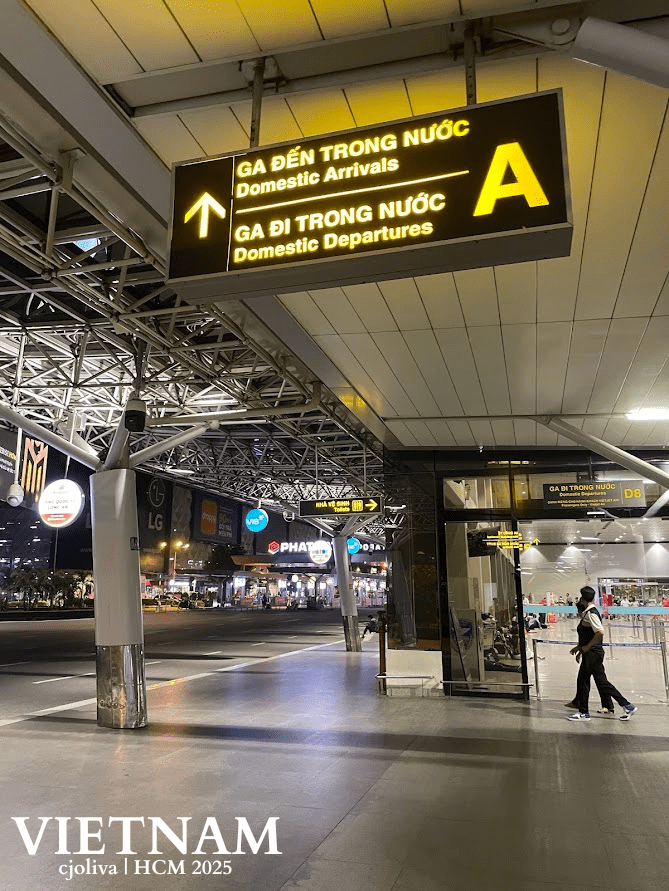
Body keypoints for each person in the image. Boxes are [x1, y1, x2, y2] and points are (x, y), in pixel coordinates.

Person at [566, 586, 637, 722]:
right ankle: (627, 706)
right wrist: (579, 648)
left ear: (583, 599)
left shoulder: (591, 613)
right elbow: (589, 634)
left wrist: (587, 647)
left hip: (593, 653)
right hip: (593, 653)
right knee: (601, 682)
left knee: (584, 680)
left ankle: (583, 713)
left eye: (581, 597)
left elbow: (599, 632)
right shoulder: (589, 612)